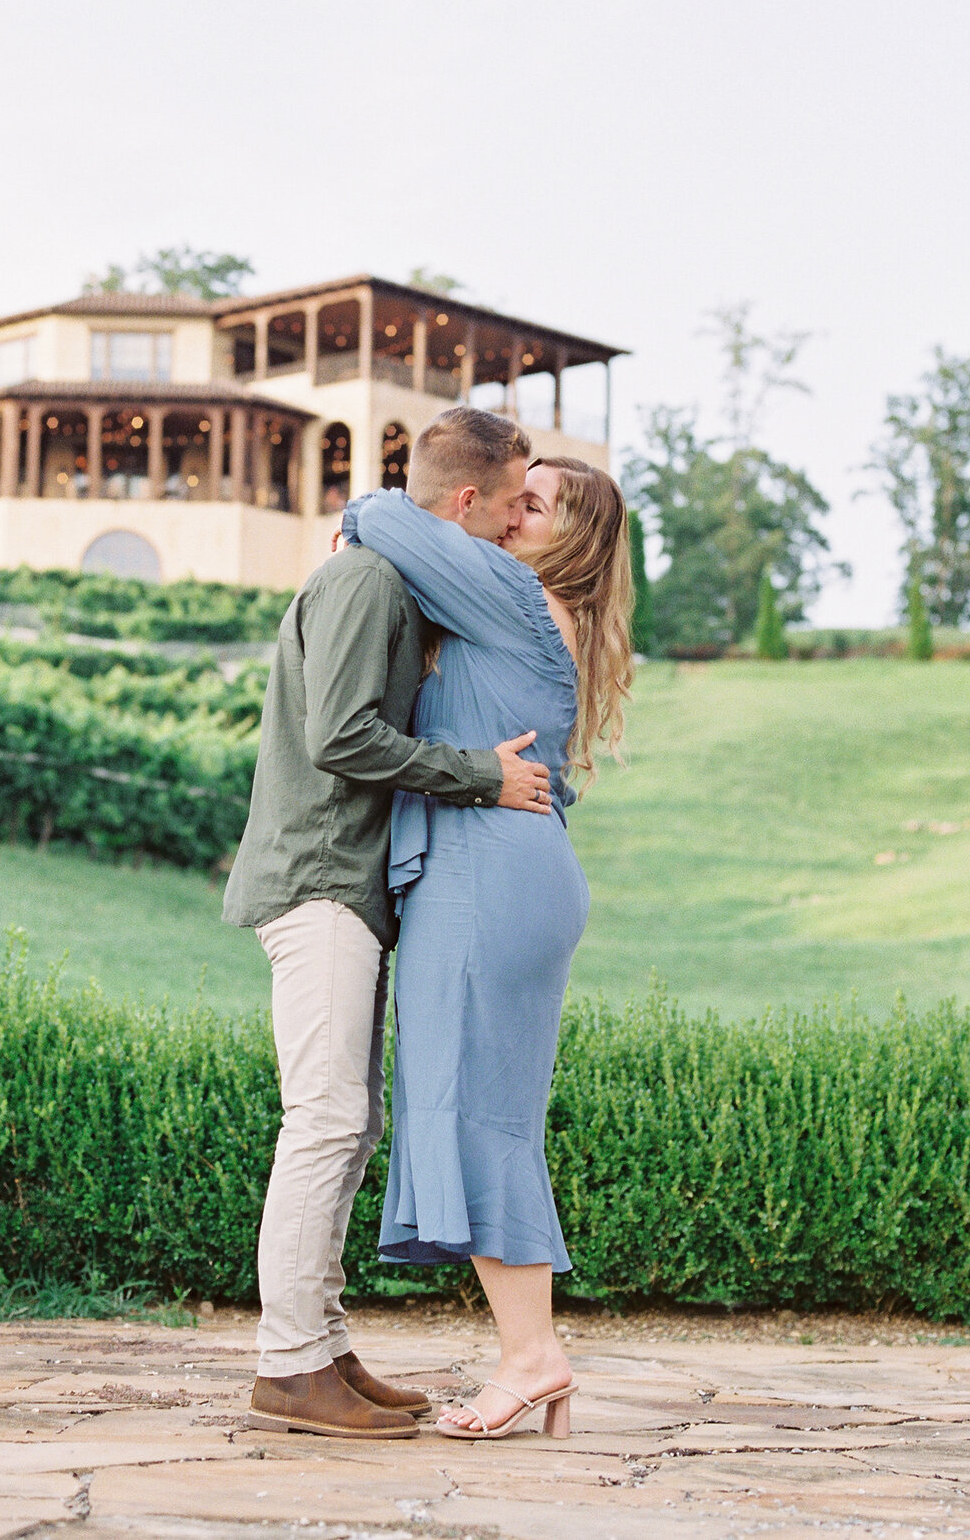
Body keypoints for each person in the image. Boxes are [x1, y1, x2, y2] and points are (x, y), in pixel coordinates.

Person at [222, 407, 557, 1441]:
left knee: (346, 1120)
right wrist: (478, 777)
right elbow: (341, 737)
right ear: (465, 500)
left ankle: (320, 1347)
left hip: (342, 881)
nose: (515, 524)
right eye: (509, 504)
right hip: (320, 875)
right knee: (323, 1119)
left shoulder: (380, 574)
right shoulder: (366, 579)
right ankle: (288, 1364)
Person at [342, 453, 637, 1441]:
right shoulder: (526, 605)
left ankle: (531, 1356)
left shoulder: (513, 595)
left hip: (488, 876)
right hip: (498, 867)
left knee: (476, 1113)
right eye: (517, 493)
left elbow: (391, 512)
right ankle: (530, 1354)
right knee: (482, 1112)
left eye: (536, 502)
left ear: (571, 539)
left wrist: (357, 516)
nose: (514, 513)